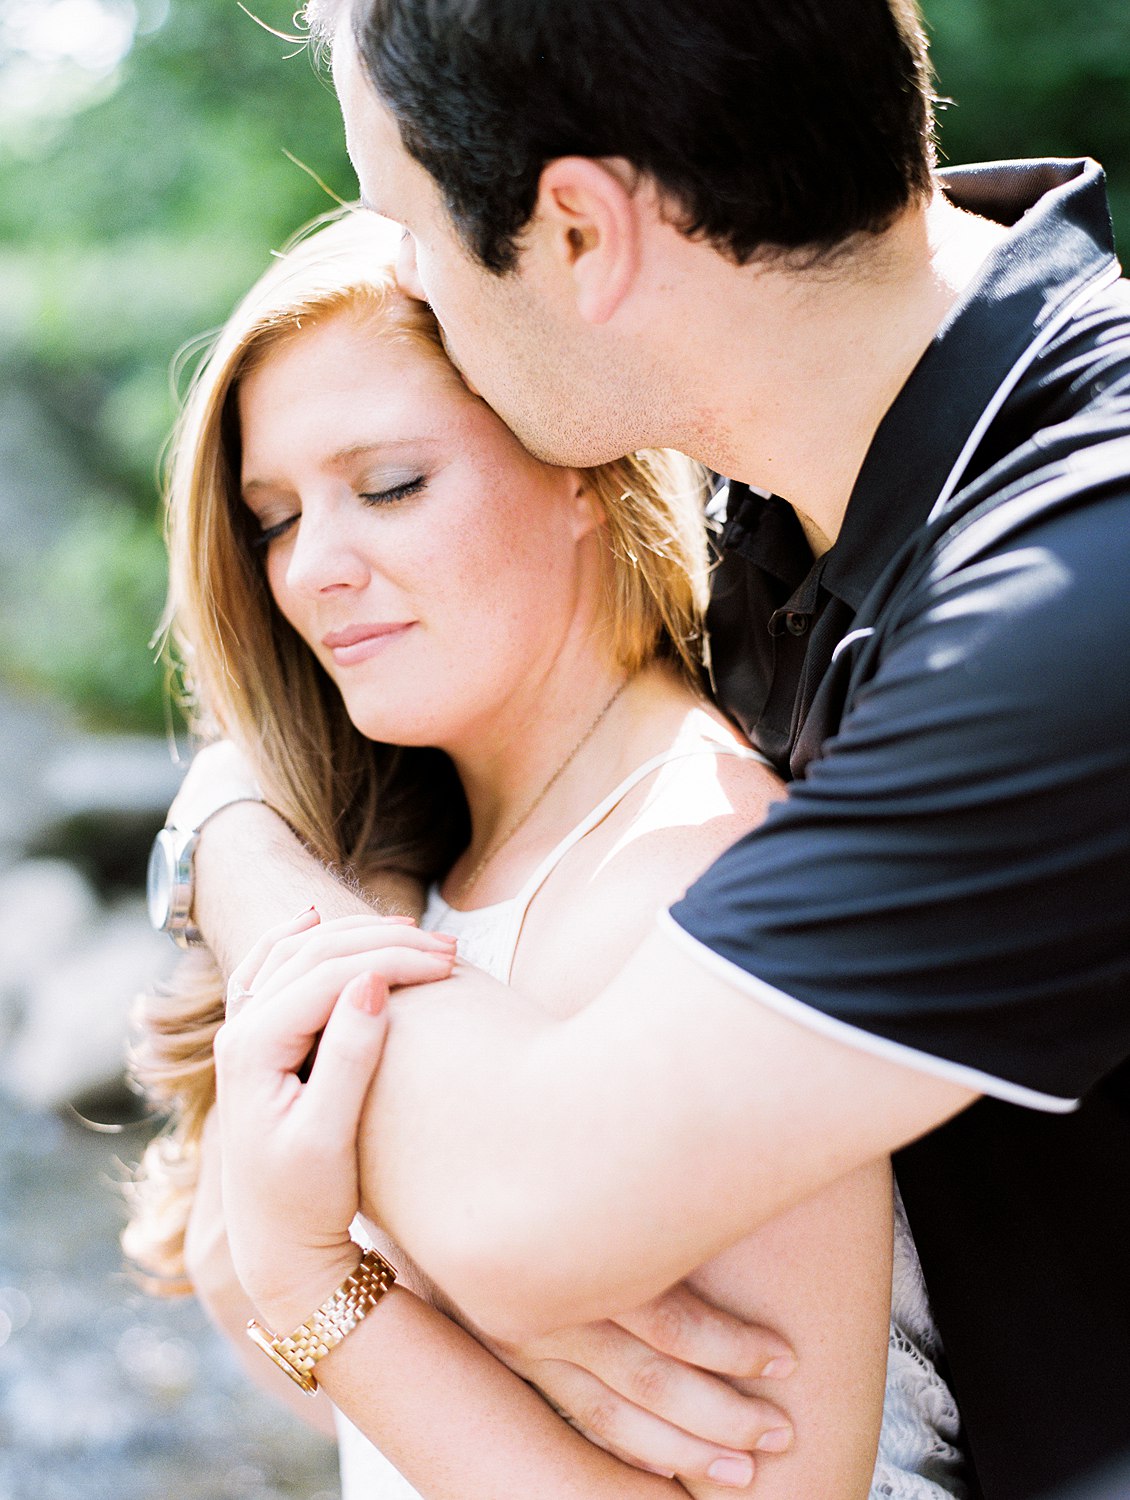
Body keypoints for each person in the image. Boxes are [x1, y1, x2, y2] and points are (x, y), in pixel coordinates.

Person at [162, 2, 1130, 1498]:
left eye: (402, 220)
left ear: (577, 232)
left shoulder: (1074, 606)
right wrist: (238, 797)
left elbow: (520, 1213)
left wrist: (244, 864)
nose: (403, 274)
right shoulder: (782, 514)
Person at [133, 209, 967, 1499]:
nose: (316, 571)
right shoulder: (412, 854)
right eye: (274, 518)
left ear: (580, 462)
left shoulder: (686, 870)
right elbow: (341, 1417)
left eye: (392, 486)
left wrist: (328, 1286)